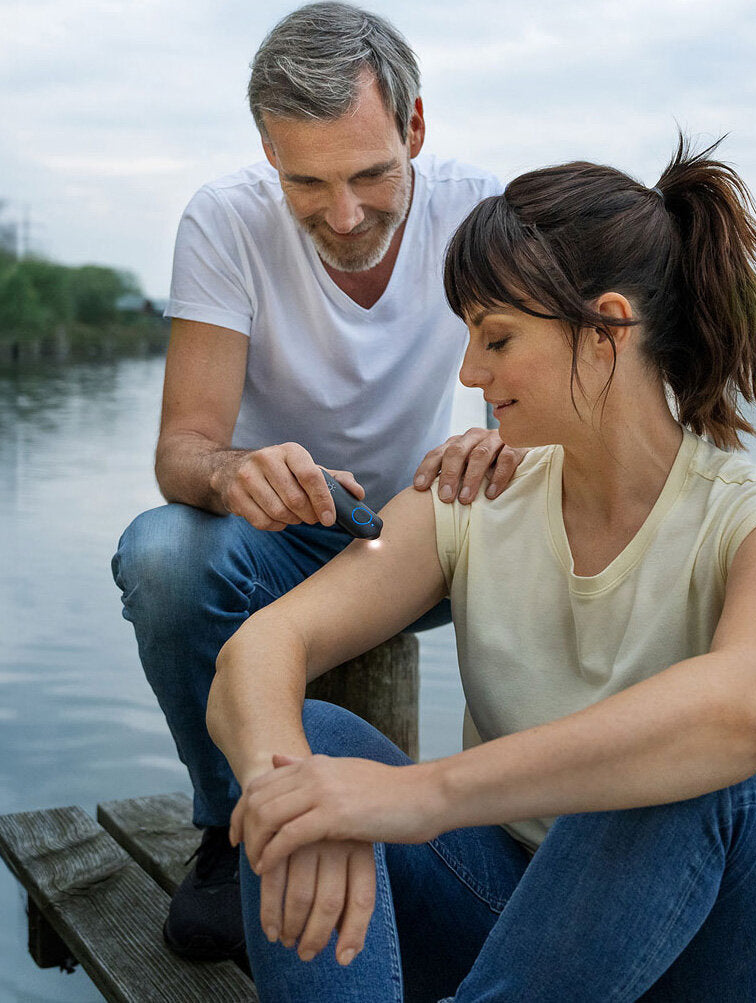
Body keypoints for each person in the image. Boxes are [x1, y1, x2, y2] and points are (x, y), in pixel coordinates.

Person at [208, 136, 756, 1002]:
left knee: (696, 769)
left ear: (607, 329)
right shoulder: (470, 493)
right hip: (521, 939)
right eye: (469, 336)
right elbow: (261, 646)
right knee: (305, 753)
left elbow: (753, 707)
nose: (471, 371)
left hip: (716, 962)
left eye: (496, 337)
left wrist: (421, 795)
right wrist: (302, 803)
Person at [111, 1, 521, 963]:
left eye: (372, 173)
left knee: (560, 538)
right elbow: (183, 450)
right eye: (306, 182)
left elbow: (528, 419)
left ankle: (523, 820)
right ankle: (231, 827)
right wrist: (234, 471)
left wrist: (493, 456)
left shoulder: (481, 208)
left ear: (415, 127)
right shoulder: (223, 221)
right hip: (283, 540)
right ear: (266, 152)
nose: (344, 216)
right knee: (162, 553)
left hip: (425, 536)